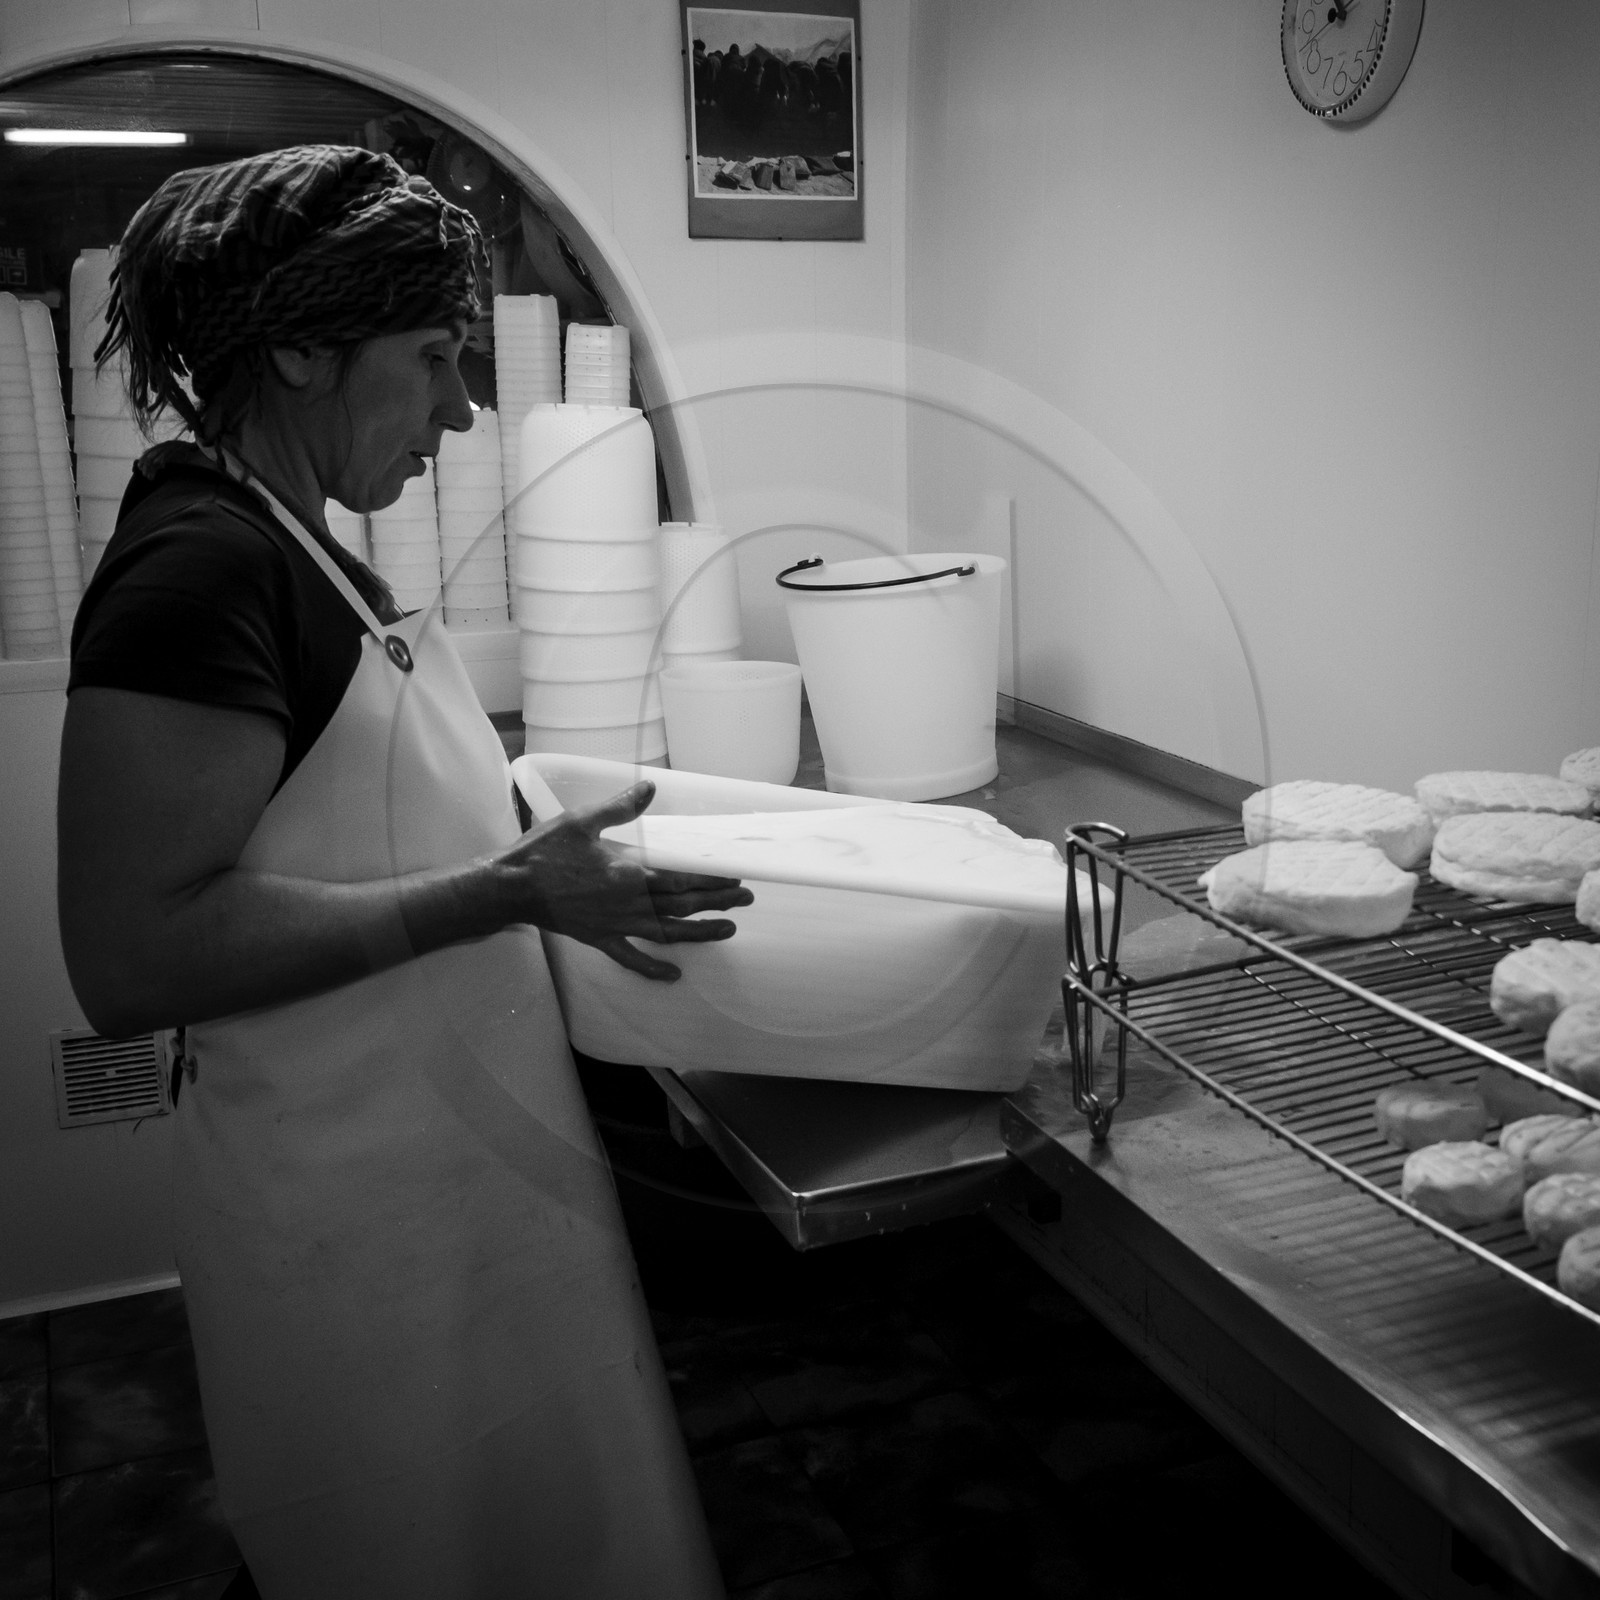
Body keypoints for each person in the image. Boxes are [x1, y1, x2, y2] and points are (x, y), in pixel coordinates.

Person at [56, 145, 744, 1599]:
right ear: (302, 348)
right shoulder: (198, 567)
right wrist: (511, 888)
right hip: (348, 1230)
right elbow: (133, 957)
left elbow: (333, 817)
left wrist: (529, 827)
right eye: (432, 358)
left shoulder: (301, 540)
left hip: (444, 1200)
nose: (462, 408)